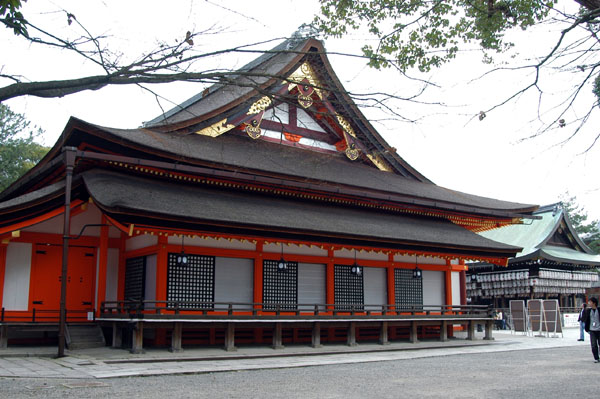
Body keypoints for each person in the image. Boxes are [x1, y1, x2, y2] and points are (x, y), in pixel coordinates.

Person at [582, 297, 600, 363]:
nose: (589, 303)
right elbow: (585, 319)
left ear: (594, 303)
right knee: (593, 344)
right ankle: (596, 358)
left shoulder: (599, 310)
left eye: (590, 302)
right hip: (592, 330)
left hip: (599, 329)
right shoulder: (588, 311)